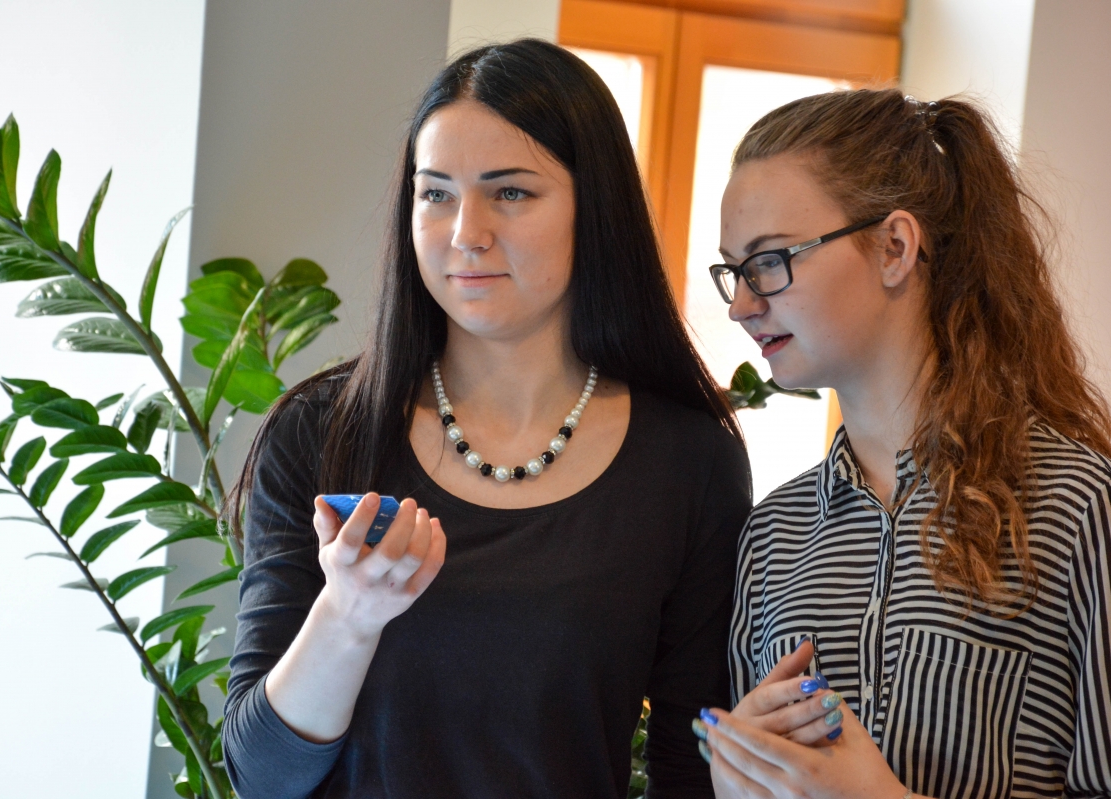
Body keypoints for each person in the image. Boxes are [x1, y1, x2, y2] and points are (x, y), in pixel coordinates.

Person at [221, 39, 752, 798]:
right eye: (435, 194)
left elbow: (688, 771)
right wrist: (347, 614)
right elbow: (261, 776)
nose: (465, 232)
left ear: (596, 209)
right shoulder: (319, 431)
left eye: (510, 193)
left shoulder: (688, 463)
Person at [689, 88, 1111, 799]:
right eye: (735, 270)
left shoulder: (1078, 507)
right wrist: (739, 781)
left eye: (769, 261)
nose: (741, 305)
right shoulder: (772, 535)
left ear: (894, 247)